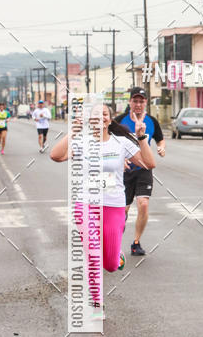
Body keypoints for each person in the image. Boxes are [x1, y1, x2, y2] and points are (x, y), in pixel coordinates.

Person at [50, 104, 155, 307]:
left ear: (109, 119)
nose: (100, 119)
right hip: (85, 203)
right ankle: (97, 303)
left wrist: (141, 137)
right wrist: (73, 131)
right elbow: (56, 155)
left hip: (113, 204)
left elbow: (149, 164)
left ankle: (116, 257)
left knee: (110, 265)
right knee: (93, 253)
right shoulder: (81, 141)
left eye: (104, 115)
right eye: (95, 116)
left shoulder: (121, 142)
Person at [115, 87, 165, 256]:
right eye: (135, 101)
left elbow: (160, 139)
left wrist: (161, 148)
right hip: (125, 171)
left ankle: (136, 242)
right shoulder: (119, 121)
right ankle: (115, 243)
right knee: (123, 210)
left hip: (144, 168)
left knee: (143, 204)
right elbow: (108, 142)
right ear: (130, 102)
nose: (138, 104)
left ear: (146, 103)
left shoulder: (151, 121)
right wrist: (120, 159)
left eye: (141, 101)